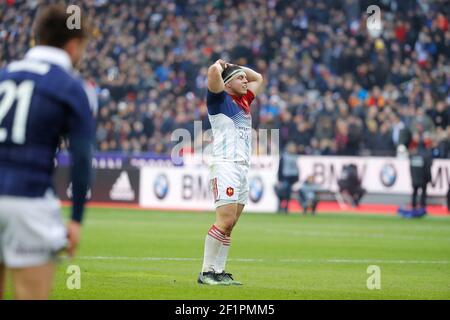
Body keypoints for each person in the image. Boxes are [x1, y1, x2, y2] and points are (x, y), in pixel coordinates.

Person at [0, 5, 95, 299]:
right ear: (72, 44)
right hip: (28, 201)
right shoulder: (71, 86)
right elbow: (81, 158)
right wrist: (76, 218)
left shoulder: (4, 75)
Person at [198, 59, 263, 285]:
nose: (246, 79)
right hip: (225, 164)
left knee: (230, 224)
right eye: (240, 77)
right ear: (227, 83)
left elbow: (259, 78)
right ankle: (206, 272)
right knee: (224, 221)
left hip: (242, 168)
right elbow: (212, 72)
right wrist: (221, 66)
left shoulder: (244, 101)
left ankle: (219, 271)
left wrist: (236, 67)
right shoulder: (219, 100)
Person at [274, 142, 299, 213]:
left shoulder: (295, 157)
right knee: (283, 191)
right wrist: (279, 178)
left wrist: (297, 178)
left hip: (292, 177)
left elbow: (296, 168)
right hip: (285, 177)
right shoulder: (284, 156)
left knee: (288, 192)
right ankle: (282, 205)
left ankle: (285, 206)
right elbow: (280, 168)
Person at [409, 142, 433, 211]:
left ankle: (413, 206)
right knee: (423, 193)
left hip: (415, 178)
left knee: (414, 192)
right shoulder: (425, 156)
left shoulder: (413, 156)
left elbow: (410, 168)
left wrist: (412, 177)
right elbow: (427, 169)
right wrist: (429, 179)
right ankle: (422, 207)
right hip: (423, 179)